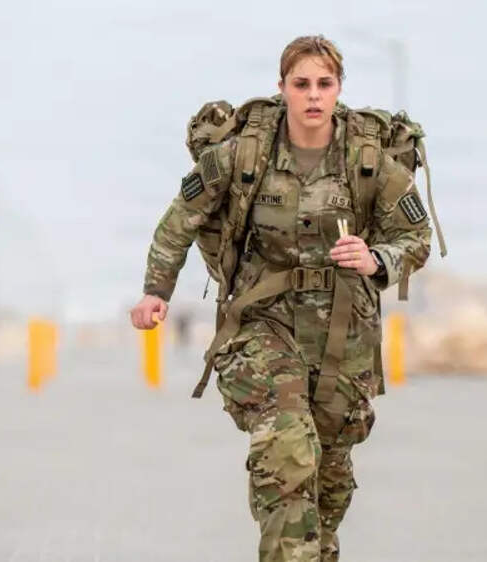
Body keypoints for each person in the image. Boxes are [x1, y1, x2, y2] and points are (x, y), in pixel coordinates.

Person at [129, 35, 433, 562]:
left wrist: (376, 258)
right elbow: (180, 220)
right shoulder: (243, 154)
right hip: (262, 324)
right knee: (287, 453)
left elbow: (417, 236)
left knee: (329, 483)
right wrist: (156, 291)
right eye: (301, 84)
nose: (313, 95)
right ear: (282, 88)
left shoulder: (368, 161)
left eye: (324, 84)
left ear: (338, 89)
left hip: (344, 334)